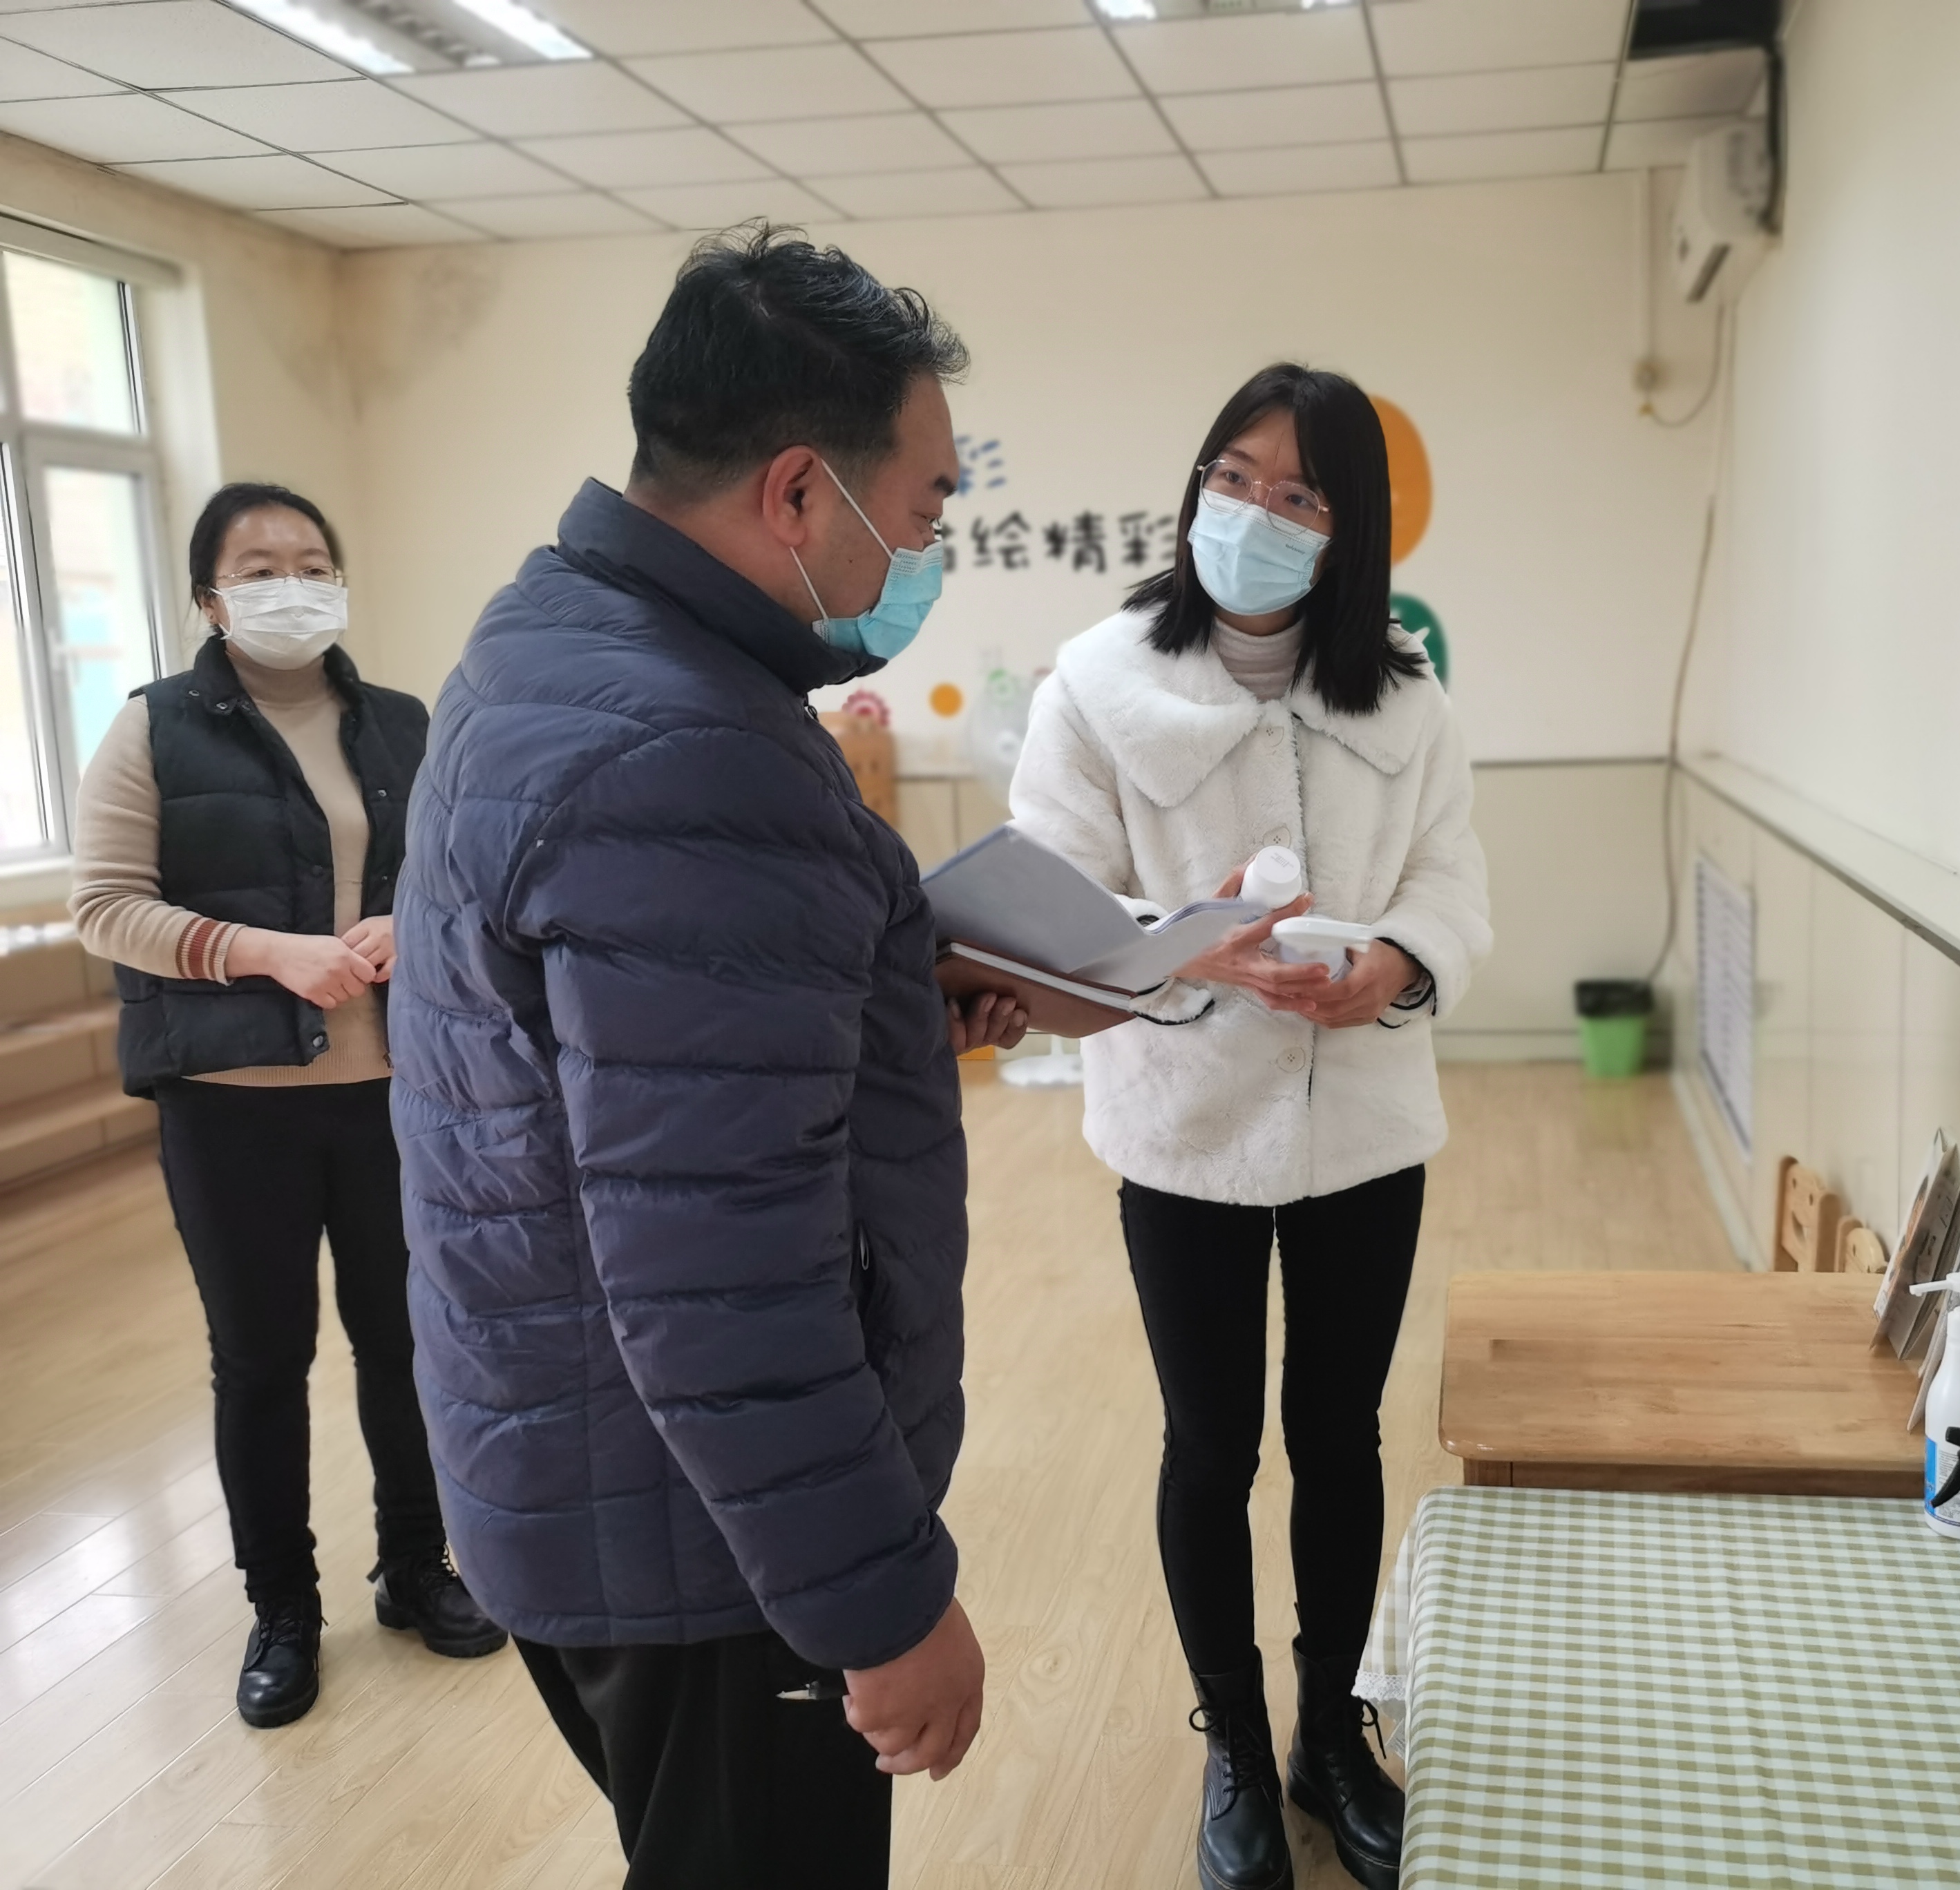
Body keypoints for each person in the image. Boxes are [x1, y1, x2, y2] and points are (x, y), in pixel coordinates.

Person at [391, 225, 1019, 1889]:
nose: (930, 547)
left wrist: (895, 992)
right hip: (706, 1547)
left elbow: (622, 1062)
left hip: (575, 1465)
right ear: (802, 493)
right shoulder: (690, 746)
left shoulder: (553, 644)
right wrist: (879, 1604)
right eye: (927, 509)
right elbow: (717, 1266)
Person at [1008, 363, 1492, 1890]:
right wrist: (1190, 949)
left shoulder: (1406, 696)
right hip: (1183, 1125)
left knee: (1339, 1439)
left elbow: (1452, 880)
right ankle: (1232, 1741)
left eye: (1298, 495)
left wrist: (1401, 962)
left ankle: (1328, 1737)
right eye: (1233, 477)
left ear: (1351, 530)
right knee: (1209, 1445)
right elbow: (1046, 901)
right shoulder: (1097, 682)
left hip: (1364, 1126)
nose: (1254, 514)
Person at [69, 481, 503, 1730]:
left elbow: (460, 877)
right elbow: (105, 906)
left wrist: (411, 924)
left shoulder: (405, 723)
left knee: (407, 1343)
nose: (290, 585)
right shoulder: (154, 727)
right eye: (258, 569)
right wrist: (263, 952)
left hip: (396, 1091)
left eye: (312, 562)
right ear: (210, 599)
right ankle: (284, 1608)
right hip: (230, 1103)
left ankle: (415, 1566)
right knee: (261, 1361)